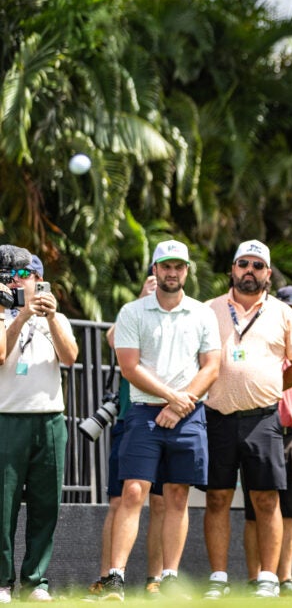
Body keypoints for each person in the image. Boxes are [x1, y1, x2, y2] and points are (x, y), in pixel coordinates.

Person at [103, 239, 221, 601]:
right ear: (154, 269)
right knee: (133, 491)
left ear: (187, 271)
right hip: (145, 412)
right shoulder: (132, 312)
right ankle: (115, 577)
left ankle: (169, 577)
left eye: (178, 266)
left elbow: (212, 367)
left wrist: (180, 405)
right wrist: (173, 398)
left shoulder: (202, 313)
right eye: (166, 266)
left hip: (189, 414)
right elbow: (129, 367)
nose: (172, 272)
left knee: (177, 495)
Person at [202, 241, 292, 599]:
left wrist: (271, 385)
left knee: (267, 500)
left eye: (257, 265)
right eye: (243, 264)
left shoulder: (283, 313)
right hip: (217, 417)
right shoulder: (208, 310)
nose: (249, 270)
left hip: (263, 419)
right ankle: (218, 579)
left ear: (268, 274)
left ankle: (268, 578)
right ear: (232, 269)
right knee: (217, 498)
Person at [0, 247, 79, 603]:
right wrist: (18, 315)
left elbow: (70, 357)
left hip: (49, 418)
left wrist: (49, 317)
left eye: (25, 275)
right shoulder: (1, 314)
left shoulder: (55, 318)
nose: (18, 282)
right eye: (12, 276)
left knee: (46, 506)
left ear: (39, 280)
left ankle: (35, 581)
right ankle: (2, 581)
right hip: (7, 417)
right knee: (3, 506)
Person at [240, 286, 292, 596]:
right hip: (259, 432)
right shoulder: (260, 347)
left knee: (289, 512)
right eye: (290, 311)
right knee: (255, 511)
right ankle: (255, 579)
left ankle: (284, 579)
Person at [91, 276, 166, 599]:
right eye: (158, 273)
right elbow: (112, 339)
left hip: (169, 417)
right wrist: (140, 298)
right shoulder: (133, 314)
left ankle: (155, 581)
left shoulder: (182, 316)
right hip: (129, 417)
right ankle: (107, 579)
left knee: (162, 502)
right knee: (121, 500)